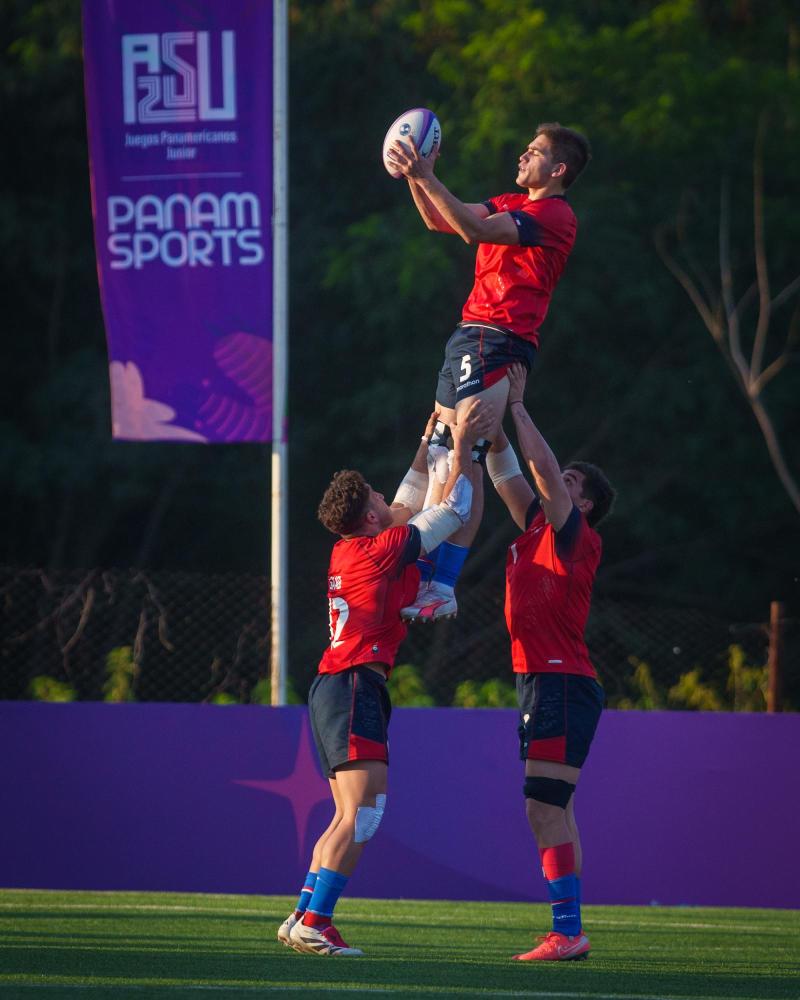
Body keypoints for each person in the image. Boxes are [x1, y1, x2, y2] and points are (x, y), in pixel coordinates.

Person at [277, 399, 492, 957]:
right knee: (364, 815)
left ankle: (304, 912)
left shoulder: (358, 548)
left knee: (349, 813)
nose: (387, 498)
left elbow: (407, 496)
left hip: (340, 685)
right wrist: (464, 445)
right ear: (370, 518)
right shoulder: (381, 549)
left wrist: (429, 444)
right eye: (377, 497)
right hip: (352, 684)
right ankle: (316, 920)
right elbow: (453, 509)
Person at [386, 121, 591, 622]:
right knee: (440, 449)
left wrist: (427, 172)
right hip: (469, 333)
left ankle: (443, 583)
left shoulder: (555, 214)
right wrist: (415, 177)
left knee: (468, 451)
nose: (523, 154)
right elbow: (443, 221)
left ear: (557, 169)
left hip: (501, 340)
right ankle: (425, 573)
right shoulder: (508, 201)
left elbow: (475, 230)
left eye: (535, 150)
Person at [487, 364, 615, 962]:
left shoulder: (575, 533)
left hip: (560, 679)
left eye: (568, 481)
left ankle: (566, 931)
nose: (554, 484)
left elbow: (539, 470)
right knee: (555, 808)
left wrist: (515, 403)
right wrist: (487, 430)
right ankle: (571, 929)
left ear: (582, 502)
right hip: (546, 680)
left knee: (542, 806)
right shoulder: (538, 524)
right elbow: (510, 474)